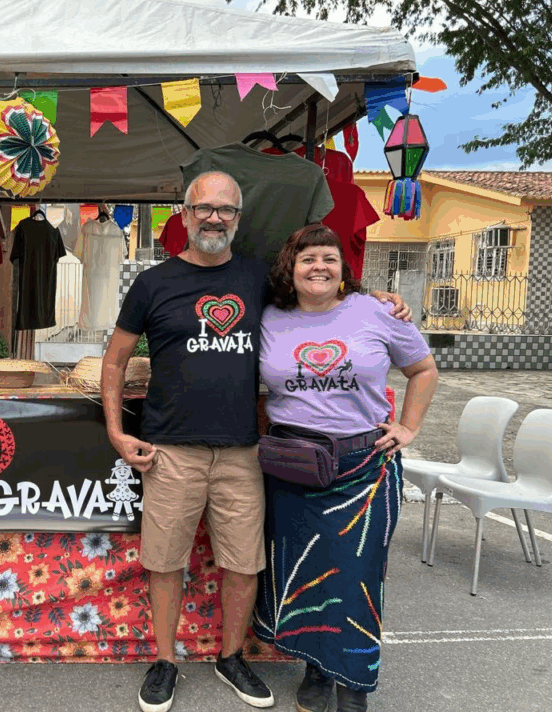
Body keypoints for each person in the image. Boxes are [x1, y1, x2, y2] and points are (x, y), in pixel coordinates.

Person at [101, 173, 409, 712]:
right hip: (169, 450)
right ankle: (166, 661)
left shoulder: (257, 277)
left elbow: (316, 292)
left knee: (243, 563)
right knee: (165, 561)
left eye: (225, 209)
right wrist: (116, 432)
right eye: (204, 208)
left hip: (244, 450)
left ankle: (231, 657)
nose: (214, 218)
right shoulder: (152, 283)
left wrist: (371, 298)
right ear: (184, 215)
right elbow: (115, 361)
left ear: (238, 219)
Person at [253, 224, 438, 712]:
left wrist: (408, 427)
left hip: (364, 468)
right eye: (308, 258)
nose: (319, 267)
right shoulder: (269, 317)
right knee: (306, 575)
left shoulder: (375, 311)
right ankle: (317, 670)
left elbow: (423, 369)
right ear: (290, 268)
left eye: (329, 258)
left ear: (343, 268)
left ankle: (353, 683)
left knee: (358, 577)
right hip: (293, 469)